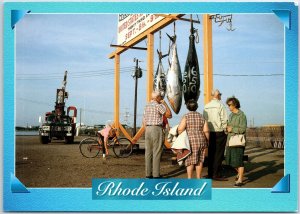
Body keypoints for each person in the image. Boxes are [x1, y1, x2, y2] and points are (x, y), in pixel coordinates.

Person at [143, 91, 172, 178]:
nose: (161, 98)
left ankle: (148, 174)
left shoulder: (146, 106)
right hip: (156, 128)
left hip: (147, 129)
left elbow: (144, 120)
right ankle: (156, 174)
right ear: (158, 97)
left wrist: (147, 129)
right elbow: (169, 115)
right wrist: (165, 104)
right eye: (160, 97)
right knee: (157, 152)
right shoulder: (158, 106)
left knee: (148, 152)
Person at [177, 99, 209, 179]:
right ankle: (198, 178)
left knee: (190, 160)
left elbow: (180, 129)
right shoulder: (201, 116)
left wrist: (182, 135)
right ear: (197, 107)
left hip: (190, 140)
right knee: (200, 159)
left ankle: (190, 178)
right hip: (201, 139)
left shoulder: (186, 116)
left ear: (187, 107)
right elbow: (206, 130)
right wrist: (207, 141)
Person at [203, 89, 228, 181]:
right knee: (219, 154)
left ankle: (210, 173)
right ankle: (216, 174)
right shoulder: (221, 105)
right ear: (218, 96)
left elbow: (204, 119)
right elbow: (224, 119)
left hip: (209, 132)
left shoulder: (206, 106)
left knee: (211, 153)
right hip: (219, 131)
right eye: (220, 94)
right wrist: (226, 130)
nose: (221, 96)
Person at [225, 96, 247, 187]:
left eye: (229, 105)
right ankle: (239, 173)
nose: (228, 106)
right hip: (230, 141)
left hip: (238, 141)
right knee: (230, 161)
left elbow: (243, 129)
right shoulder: (230, 115)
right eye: (228, 105)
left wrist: (232, 129)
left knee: (238, 161)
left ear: (235, 105)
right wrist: (227, 129)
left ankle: (240, 180)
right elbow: (229, 127)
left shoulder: (241, 115)